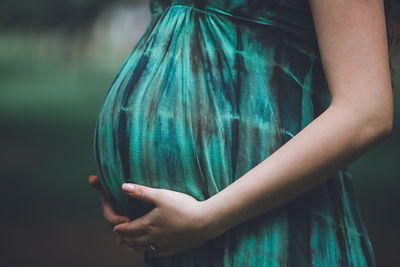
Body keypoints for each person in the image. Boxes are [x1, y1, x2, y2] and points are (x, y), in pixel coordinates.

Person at [89, 0, 399, 266]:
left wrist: (211, 217)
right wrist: (126, 183)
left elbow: (367, 111)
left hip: (279, 235)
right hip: (181, 242)